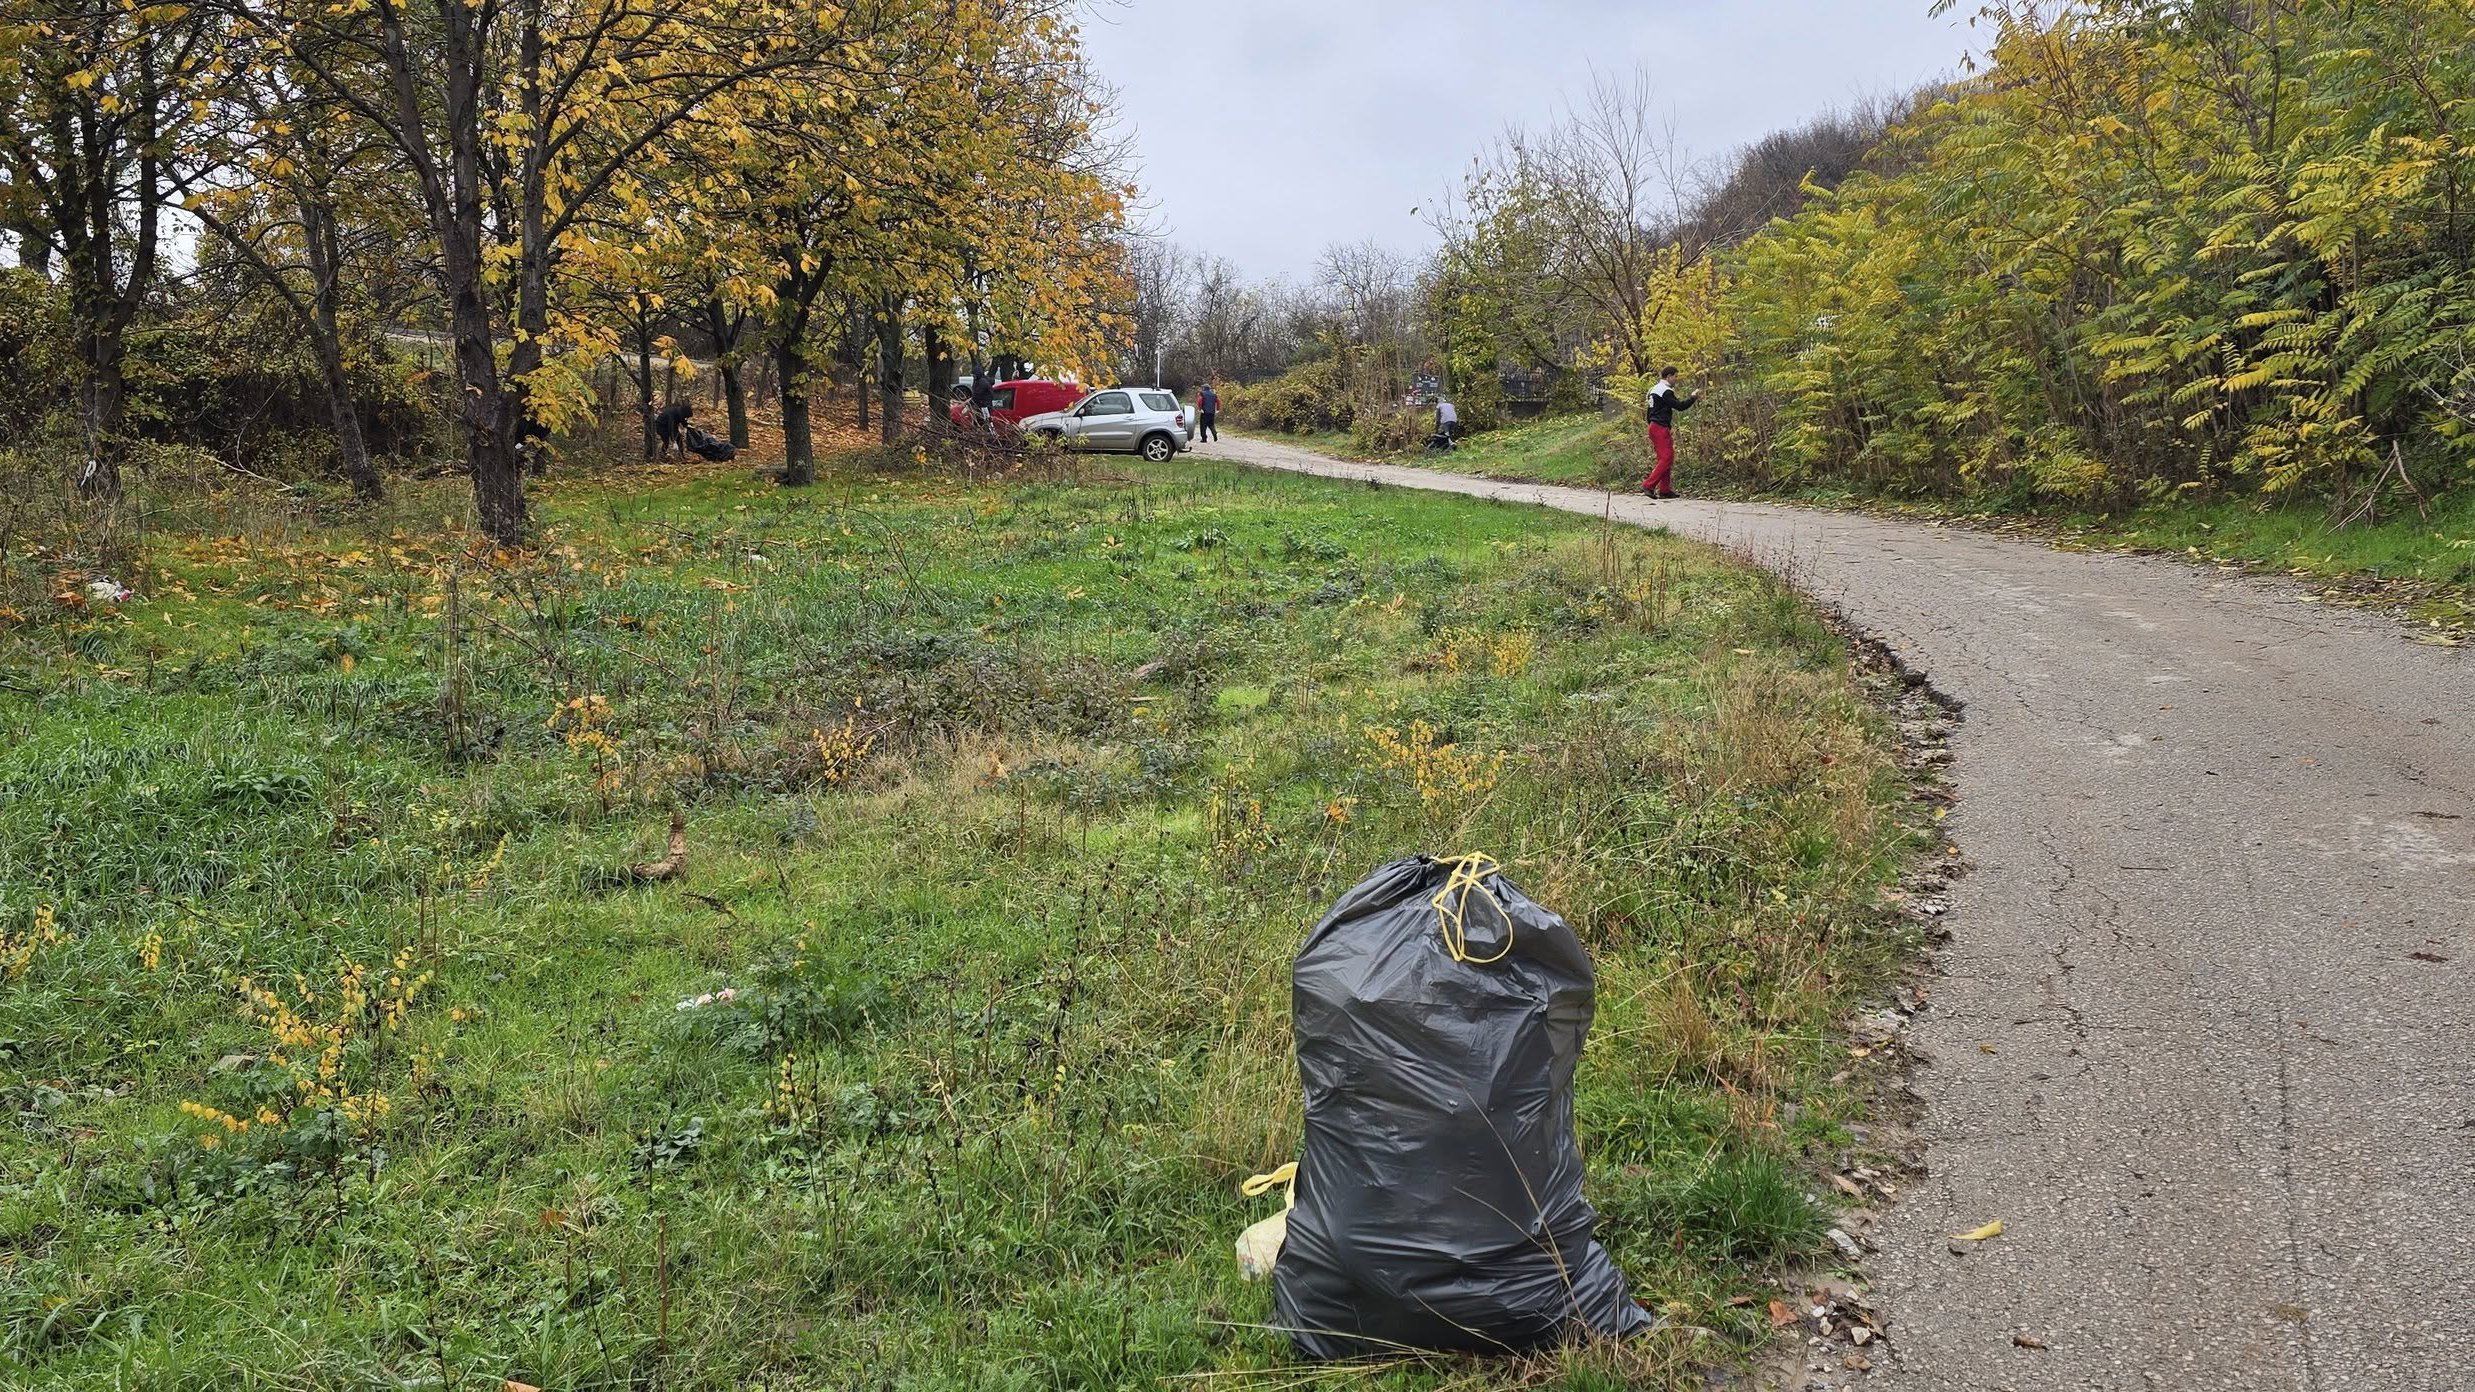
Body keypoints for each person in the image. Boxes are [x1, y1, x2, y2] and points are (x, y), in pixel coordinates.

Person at [1641, 367, 1699, 498]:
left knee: (1664, 458)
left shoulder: (1653, 389)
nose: (1676, 379)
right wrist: (1693, 397)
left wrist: (1651, 423)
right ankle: (1648, 485)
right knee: (1667, 458)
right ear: (1668, 376)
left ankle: (1665, 490)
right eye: (1675, 377)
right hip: (1660, 426)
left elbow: (1649, 411)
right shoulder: (1665, 391)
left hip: (1653, 425)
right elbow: (1680, 406)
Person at [969, 365, 996, 431]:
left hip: (984, 406)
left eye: (974, 375)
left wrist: (969, 403)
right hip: (984, 405)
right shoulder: (981, 380)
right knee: (984, 422)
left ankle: (987, 433)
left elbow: (977, 395)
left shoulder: (982, 383)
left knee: (984, 422)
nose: (973, 376)